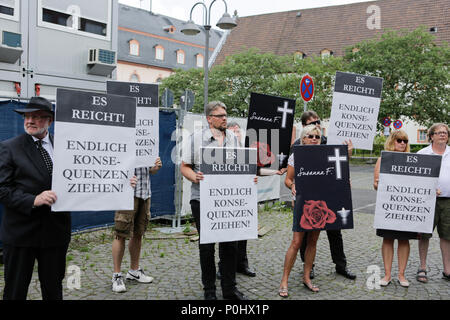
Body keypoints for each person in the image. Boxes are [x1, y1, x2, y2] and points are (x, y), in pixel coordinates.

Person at [0, 97, 71, 300]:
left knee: (53, 289)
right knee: (15, 290)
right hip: (21, 233)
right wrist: (33, 200)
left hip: (56, 231)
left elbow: (87, 175)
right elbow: (2, 189)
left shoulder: (67, 147)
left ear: (50, 121)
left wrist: (120, 181)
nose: (30, 121)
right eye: (28, 116)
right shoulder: (9, 147)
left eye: (37, 117)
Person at [181, 101, 250, 300]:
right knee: (207, 246)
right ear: (209, 118)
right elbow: (185, 166)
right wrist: (195, 177)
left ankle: (230, 289)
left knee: (230, 245)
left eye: (225, 114)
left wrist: (248, 178)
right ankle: (209, 290)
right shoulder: (196, 139)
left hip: (228, 199)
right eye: (220, 115)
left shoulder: (233, 139)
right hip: (202, 199)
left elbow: (239, 167)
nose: (224, 118)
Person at [297, 111, 356, 280]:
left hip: (330, 195)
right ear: (304, 127)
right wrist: (293, 186)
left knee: (335, 231)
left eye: (318, 121)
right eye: (311, 123)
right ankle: (309, 266)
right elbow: (292, 175)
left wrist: (348, 157)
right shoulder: (299, 145)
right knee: (306, 235)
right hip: (309, 198)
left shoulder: (329, 142)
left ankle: (341, 265)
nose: (316, 125)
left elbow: (340, 163)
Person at [279, 125, 324, 297]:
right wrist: (293, 186)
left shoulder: (324, 156)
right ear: (303, 139)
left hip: (320, 203)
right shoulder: (296, 155)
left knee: (313, 241)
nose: (314, 139)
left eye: (317, 137)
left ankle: (307, 277)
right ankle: (284, 280)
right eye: (310, 136)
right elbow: (287, 180)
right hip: (302, 202)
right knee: (297, 242)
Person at [373, 130, 417, 287]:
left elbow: (419, 183)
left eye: (405, 141)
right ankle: (387, 275)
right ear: (392, 141)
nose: (403, 143)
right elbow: (375, 185)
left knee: (404, 240)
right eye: (399, 140)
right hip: (389, 207)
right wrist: (379, 183)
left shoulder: (413, 160)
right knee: (388, 239)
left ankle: (402, 275)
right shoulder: (383, 159)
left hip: (406, 208)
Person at [111, 157, 162, 293]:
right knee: (120, 234)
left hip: (144, 193)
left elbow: (150, 170)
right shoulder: (122, 137)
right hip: (126, 192)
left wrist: (155, 167)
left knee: (139, 233)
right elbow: (111, 164)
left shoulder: (147, 139)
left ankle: (134, 271)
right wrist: (122, 178)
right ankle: (116, 275)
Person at [216, 122, 256, 279]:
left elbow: (255, 172)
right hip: (225, 198)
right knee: (224, 235)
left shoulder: (247, 153)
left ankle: (241, 263)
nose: (236, 134)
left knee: (243, 232)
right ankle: (222, 266)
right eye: (232, 131)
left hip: (243, 198)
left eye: (238, 131)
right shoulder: (220, 152)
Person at [416, 123, 450, 283]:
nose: (443, 135)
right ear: (431, 136)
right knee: (424, 235)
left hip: (448, 201)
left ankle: (447, 270)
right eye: (439, 132)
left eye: (445, 132)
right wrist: (429, 188)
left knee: (447, 236)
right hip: (427, 201)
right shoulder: (423, 153)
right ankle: (422, 267)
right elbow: (415, 179)